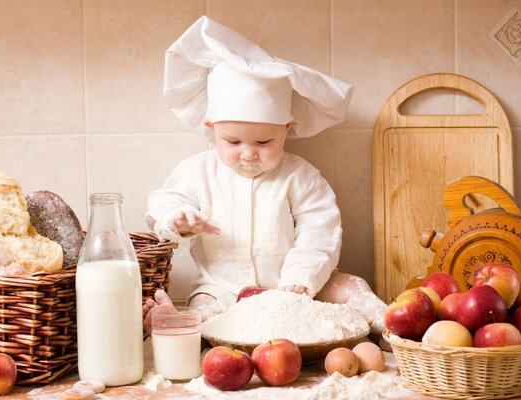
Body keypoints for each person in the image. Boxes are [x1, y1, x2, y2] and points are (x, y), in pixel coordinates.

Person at [143, 16, 387, 339]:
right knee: (205, 309)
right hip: (223, 289)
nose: (248, 153)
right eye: (232, 142)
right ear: (211, 129)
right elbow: (162, 200)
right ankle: (174, 322)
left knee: (350, 286)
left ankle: (393, 328)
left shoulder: (300, 177)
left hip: (295, 288)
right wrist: (177, 218)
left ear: (287, 129)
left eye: (263, 142)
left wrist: (301, 278)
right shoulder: (196, 172)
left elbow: (321, 229)